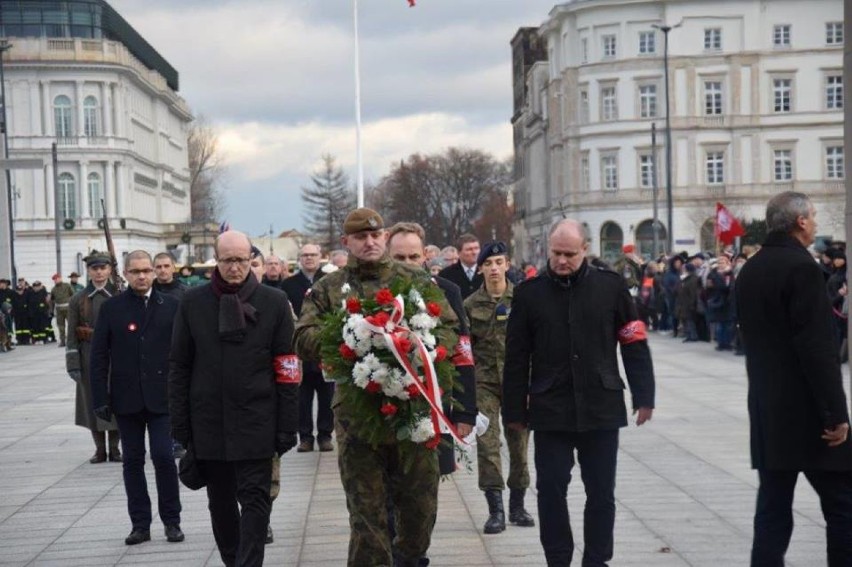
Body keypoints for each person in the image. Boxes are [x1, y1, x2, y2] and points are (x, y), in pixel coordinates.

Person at [294, 209, 463, 567]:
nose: (369, 242)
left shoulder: (414, 280)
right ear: (346, 243)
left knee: (419, 511)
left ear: (384, 237)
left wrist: (424, 347)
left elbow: (448, 325)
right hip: (359, 420)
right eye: (360, 237)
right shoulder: (328, 288)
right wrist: (352, 339)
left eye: (375, 235)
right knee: (367, 519)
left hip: (412, 413)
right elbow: (302, 337)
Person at [503, 219, 655, 566]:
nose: (562, 260)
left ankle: (597, 560)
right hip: (550, 409)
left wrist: (644, 395)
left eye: (570, 254)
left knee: (601, 494)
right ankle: (558, 558)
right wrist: (513, 411)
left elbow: (633, 341)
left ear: (585, 250)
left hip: (601, 406)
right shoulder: (529, 293)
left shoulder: (611, 287)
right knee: (551, 490)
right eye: (556, 253)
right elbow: (515, 357)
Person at [169, 230, 299, 567]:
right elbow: (179, 365)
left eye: (242, 260)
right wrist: (180, 424)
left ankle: (249, 563)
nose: (235, 267)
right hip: (209, 421)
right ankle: (232, 560)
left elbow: (287, 366)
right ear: (217, 260)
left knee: (256, 500)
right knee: (221, 503)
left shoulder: (273, 303)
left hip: (258, 418)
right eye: (227, 260)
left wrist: (288, 425)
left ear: (251, 260)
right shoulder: (193, 302)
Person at [735, 191, 852, 566]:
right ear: (800, 221)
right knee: (843, 506)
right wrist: (836, 414)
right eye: (813, 216)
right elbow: (817, 349)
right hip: (809, 415)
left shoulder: (751, 268)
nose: (815, 222)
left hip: (769, 409)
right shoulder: (802, 268)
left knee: (772, 509)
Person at [89, 250, 184, 546]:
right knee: (132, 460)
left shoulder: (171, 305)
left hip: (162, 397)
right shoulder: (112, 308)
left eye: (147, 270)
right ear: (126, 274)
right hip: (126, 397)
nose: (142, 276)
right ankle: (140, 524)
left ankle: (172, 521)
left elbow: (184, 354)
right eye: (135, 271)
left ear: (155, 272)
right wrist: (99, 398)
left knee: (164, 456)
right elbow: (99, 356)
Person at [464, 241, 534, 534]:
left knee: (519, 445)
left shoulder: (524, 300)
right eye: (488, 264)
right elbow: (465, 350)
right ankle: (496, 509)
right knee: (488, 444)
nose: (494, 268)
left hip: (518, 382)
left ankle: (518, 504)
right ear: (480, 269)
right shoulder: (469, 305)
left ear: (507, 265)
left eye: (499, 262)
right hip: (485, 384)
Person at [66, 251, 121, 463]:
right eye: (94, 268)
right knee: (91, 401)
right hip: (88, 355)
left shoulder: (118, 294)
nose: (99, 272)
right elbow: (71, 335)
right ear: (88, 271)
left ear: (109, 269)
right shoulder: (78, 299)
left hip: (115, 355)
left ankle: (115, 449)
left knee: (117, 402)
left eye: (103, 268)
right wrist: (73, 364)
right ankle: (100, 449)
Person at [282, 243, 334, 453]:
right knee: (302, 397)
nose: (309, 258)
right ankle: (305, 436)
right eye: (305, 255)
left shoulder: (329, 281)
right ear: (299, 258)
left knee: (327, 395)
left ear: (320, 256)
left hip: (325, 345)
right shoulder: (289, 284)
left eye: (313, 255)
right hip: (300, 348)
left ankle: (325, 435)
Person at [439, 234, 483, 299]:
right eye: (469, 249)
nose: (474, 252)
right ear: (459, 252)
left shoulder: (486, 272)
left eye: (476, 248)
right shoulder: (445, 274)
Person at [50, 273, 75, 347]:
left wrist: (73, 306)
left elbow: (73, 295)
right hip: (59, 310)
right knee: (61, 326)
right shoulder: (53, 289)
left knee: (71, 325)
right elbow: (52, 300)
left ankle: (72, 341)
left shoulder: (67, 286)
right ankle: (63, 341)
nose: (56, 280)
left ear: (60, 278)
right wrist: (51, 310)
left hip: (68, 308)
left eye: (57, 279)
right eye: (54, 279)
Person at [11, 278, 32, 345]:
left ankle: (26, 339)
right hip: (17, 314)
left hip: (25, 313)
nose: (20, 292)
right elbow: (13, 305)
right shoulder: (14, 295)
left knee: (26, 327)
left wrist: (29, 312)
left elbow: (29, 303)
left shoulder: (27, 292)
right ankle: (19, 340)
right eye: (18, 290)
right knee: (18, 327)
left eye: (21, 290)